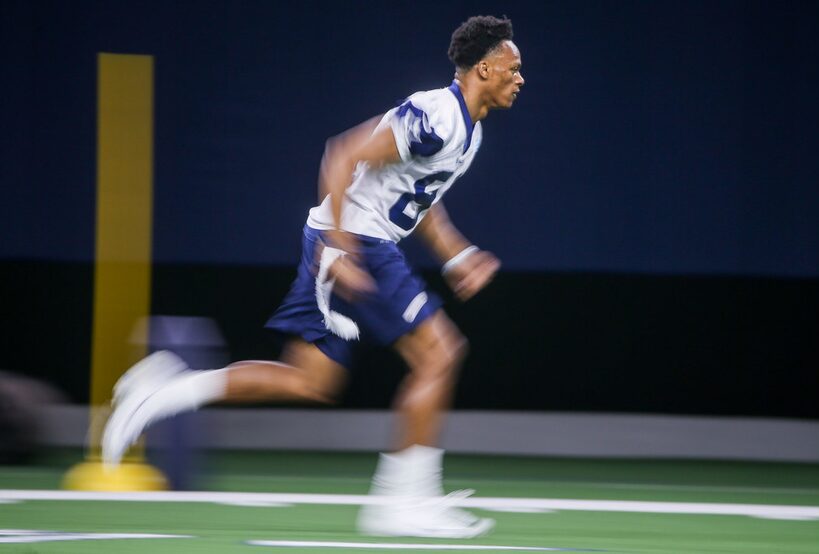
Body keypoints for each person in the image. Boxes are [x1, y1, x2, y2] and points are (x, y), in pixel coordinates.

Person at [103, 14, 524, 538]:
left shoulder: (469, 132)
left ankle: (167, 390)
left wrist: (457, 256)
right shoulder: (437, 115)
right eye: (514, 66)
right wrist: (340, 247)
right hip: (355, 241)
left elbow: (421, 201)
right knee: (440, 354)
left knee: (310, 381)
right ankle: (402, 502)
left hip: (355, 239)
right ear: (484, 68)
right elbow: (343, 155)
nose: (520, 77)